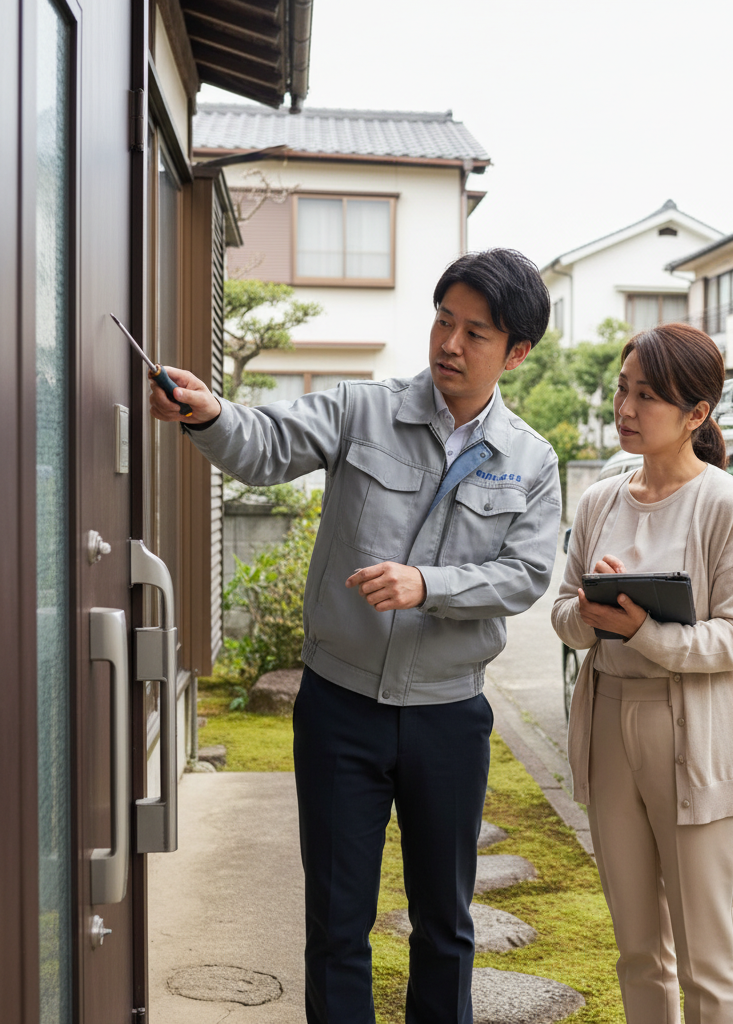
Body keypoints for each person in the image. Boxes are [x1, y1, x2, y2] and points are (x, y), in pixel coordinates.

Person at [149, 249, 562, 1024]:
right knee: (338, 922)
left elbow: (526, 574)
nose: (449, 343)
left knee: (445, 921)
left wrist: (427, 586)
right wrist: (209, 414)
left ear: (516, 353)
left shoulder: (530, 461)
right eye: (444, 320)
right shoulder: (360, 409)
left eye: (476, 333)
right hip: (341, 708)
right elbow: (265, 443)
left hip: (449, 715)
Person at [551, 322, 733, 1024]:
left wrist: (644, 629)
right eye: (622, 389)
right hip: (609, 718)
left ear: (697, 414)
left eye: (646, 396)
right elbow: (561, 617)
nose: (625, 408)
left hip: (694, 730)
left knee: (709, 957)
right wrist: (594, 611)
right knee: (637, 949)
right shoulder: (599, 501)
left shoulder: (728, 505)